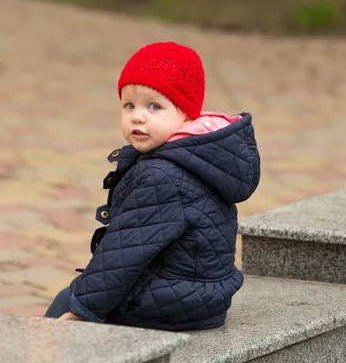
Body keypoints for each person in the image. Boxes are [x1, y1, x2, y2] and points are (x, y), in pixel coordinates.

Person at [44, 41, 261, 331]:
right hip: (203, 295)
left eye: (154, 106)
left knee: (66, 300)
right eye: (129, 105)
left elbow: (124, 252)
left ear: (185, 114)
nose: (137, 115)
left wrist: (83, 308)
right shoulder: (198, 155)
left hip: (171, 304)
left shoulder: (162, 175)